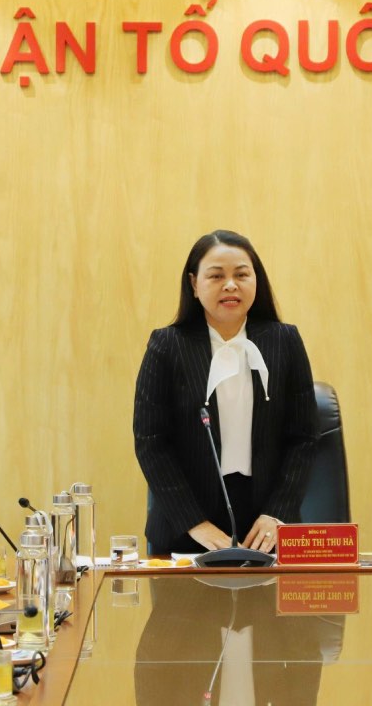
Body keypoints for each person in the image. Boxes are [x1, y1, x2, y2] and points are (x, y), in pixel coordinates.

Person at [134, 230, 318, 555]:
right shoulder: (167, 346)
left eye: (242, 275)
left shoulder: (285, 341)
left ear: (256, 280)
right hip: (186, 528)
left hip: (267, 527)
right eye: (217, 276)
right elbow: (151, 443)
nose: (230, 285)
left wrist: (277, 513)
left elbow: (303, 438)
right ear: (194, 284)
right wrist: (194, 522)